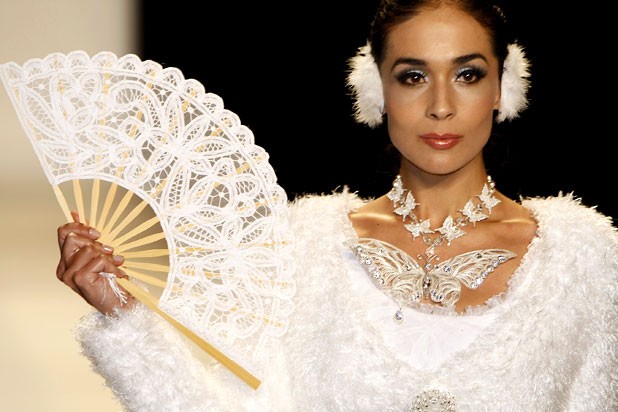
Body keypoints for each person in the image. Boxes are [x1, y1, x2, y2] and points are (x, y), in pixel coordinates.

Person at [55, 0, 618, 410]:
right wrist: (123, 318)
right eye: (413, 76)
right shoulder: (304, 245)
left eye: (467, 74)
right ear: (378, 92)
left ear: (501, 89)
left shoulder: (583, 256)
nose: (441, 105)